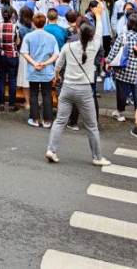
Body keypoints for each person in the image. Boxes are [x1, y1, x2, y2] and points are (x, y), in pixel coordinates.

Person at [45, 22, 110, 166]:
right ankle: (97, 157)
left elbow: (58, 65)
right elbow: (99, 31)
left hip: (67, 87)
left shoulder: (68, 47)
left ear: (79, 33)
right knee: (91, 126)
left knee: (60, 121)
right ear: (92, 36)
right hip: (85, 90)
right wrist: (99, 15)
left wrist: (56, 76)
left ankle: (52, 150)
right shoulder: (95, 46)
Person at [21, 12, 59, 128]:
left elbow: (24, 52)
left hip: (33, 69)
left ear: (33, 23)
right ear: (45, 22)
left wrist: (34, 63)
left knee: (33, 94)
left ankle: (35, 118)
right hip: (47, 70)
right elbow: (56, 54)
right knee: (47, 94)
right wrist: (45, 63)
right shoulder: (51, 37)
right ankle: (47, 120)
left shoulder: (28, 36)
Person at [107, 13, 137, 123]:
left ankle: (120, 113)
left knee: (122, 92)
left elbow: (114, 52)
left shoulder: (123, 35)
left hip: (123, 69)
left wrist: (108, 62)